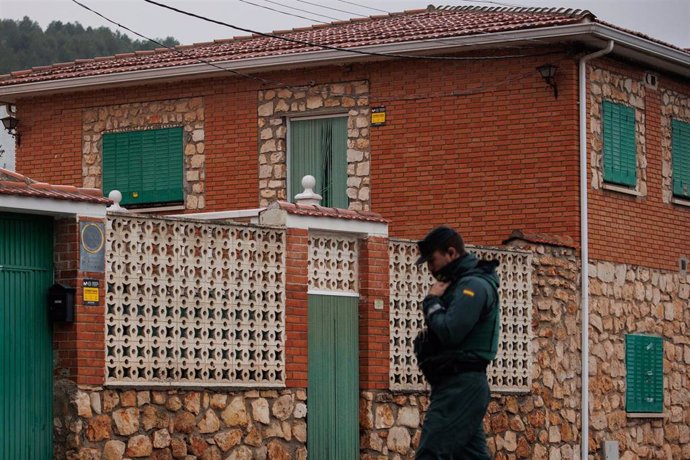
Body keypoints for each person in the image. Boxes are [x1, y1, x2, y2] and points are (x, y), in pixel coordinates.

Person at [413, 226, 500, 459]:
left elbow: (451, 332)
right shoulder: (459, 284)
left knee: (431, 454)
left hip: (461, 386)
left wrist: (431, 303)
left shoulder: (473, 286)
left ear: (451, 253)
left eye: (432, 261)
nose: (431, 269)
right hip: (454, 384)